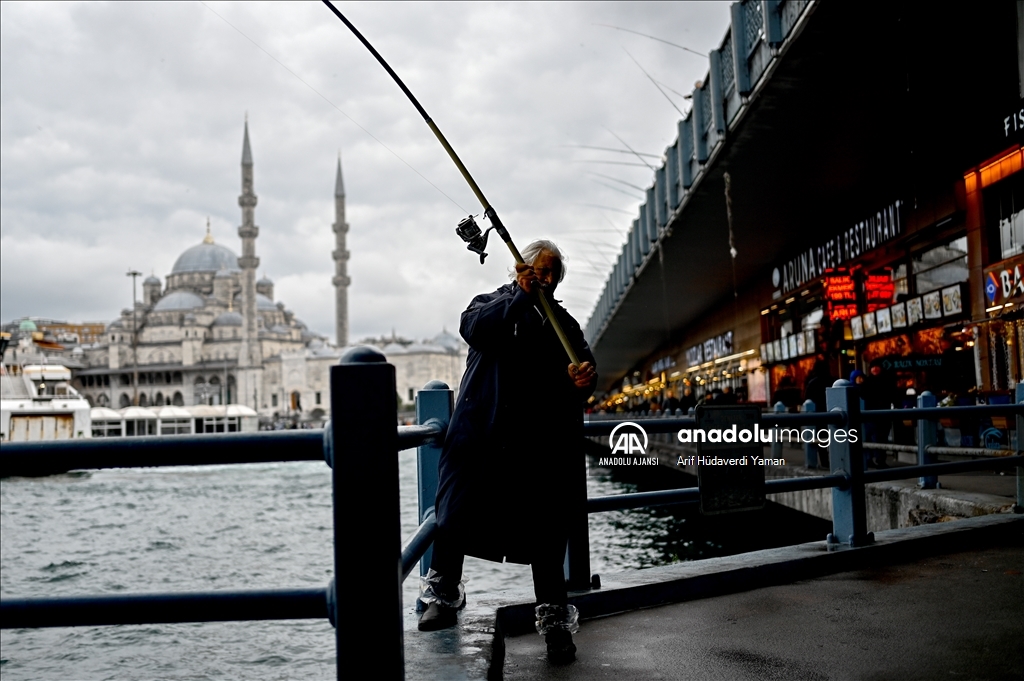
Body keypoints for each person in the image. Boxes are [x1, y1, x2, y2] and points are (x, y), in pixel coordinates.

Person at [418, 240, 597, 666]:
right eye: (541, 270)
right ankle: (442, 594)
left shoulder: (565, 326)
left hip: (538, 446)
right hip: (480, 436)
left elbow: (585, 374)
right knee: (455, 515)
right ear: (523, 270)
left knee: (546, 534)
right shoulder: (492, 304)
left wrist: (583, 381)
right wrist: (519, 296)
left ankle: (554, 625)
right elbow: (475, 330)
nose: (548, 279)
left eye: (554, 273)